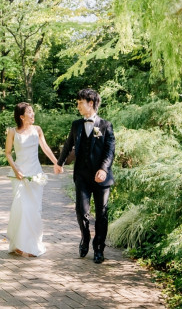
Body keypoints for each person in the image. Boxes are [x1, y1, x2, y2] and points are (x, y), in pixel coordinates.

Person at [54, 88, 115, 264]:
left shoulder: (106, 125)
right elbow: (68, 145)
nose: (78, 106)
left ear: (91, 103)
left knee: (102, 213)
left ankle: (98, 249)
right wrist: (60, 163)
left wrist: (103, 169)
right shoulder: (76, 125)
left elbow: (109, 150)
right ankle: (85, 237)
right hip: (81, 175)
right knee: (81, 210)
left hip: (101, 178)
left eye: (80, 103)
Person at [5, 102, 59, 257]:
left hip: (36, 175)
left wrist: (57, 162)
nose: (33, 114)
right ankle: (19, 245)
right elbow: (8, 153)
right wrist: (16, 170)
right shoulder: (12, 132)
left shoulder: (37, 130)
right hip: (19, 175)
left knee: (34, 211)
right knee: (21, 209)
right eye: (29, 112)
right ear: (21, 117)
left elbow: (45, 147)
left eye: (33, 111)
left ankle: (32, 244)